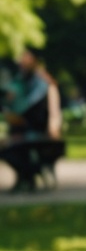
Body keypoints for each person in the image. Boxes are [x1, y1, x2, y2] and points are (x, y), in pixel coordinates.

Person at [1, 49, 62, 192]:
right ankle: (26, 177)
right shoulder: (23, 81)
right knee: (8, 148)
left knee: (12, 148)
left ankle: (28, 176)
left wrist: (53, 126)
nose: (21, 61)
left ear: (34, 60)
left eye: (25, 57)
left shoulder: (42, 83)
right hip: (26, 130)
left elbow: (51, 111)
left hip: (40, 132)